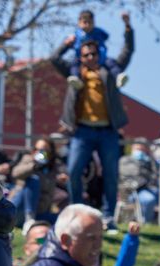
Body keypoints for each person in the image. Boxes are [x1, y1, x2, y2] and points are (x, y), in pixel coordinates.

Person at [49, 13, 134, 226]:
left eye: (94, 54)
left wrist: (127, 28)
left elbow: (128, 51)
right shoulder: (74, 72)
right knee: (74, 171)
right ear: (81, 56)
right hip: (82, 132)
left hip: (107, 131)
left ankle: (108, 217)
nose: (91, 58)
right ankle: (77, 213)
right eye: (86, 54)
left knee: (111, 175)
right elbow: (53, 58)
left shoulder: (109, 70)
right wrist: (66, 45)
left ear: (99, 54)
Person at [10, 137, 68, 225]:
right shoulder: (28, 159)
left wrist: (62, 178)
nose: (41, 153)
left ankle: (31, 220)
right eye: (38, 149)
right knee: (34, 180)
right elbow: (15, 173)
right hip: (18, 208)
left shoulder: (53, 167)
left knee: (61, 220)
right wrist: (34, 166)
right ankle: (29, 218)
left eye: (45, 150)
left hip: (39, 212)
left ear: (51, 152)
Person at [67, 10, 110, 80]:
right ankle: (75, 78)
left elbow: (105, 37)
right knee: (74, 65)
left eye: (90, 23)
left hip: (98, 59)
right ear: (79, 23)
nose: (87, 25)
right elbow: (70, 42)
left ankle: (118, 76)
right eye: (85, 22)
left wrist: (100, 60)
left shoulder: (97, 32)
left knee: (110, 63)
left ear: (94, 23)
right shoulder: (77, 34)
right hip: (80, 59)